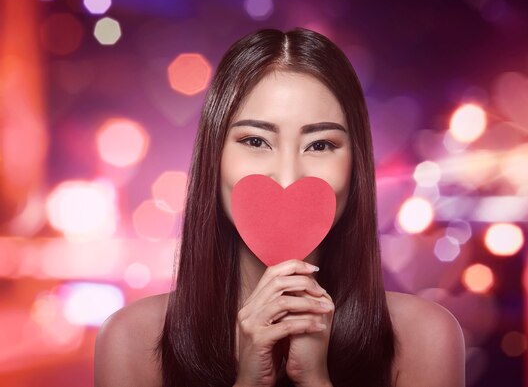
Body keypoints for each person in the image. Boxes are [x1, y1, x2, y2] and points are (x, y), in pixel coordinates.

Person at [94, 27, 465, 387]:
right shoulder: (133, 341)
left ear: (357, 166)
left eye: (320, 145)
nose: (287, 178)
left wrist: (316, 381)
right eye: (256, 141)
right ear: (214, 157)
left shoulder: (424, 338)